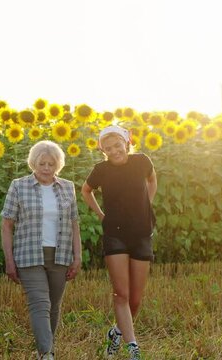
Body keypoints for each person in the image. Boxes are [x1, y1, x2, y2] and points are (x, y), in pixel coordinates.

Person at [0, 140, 82, 360]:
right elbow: (7, 224)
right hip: (29, 255)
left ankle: (43, 350)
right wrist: (9, 260)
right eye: (42, 163)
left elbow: (74, 223)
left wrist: (78, 257)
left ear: (58, 165)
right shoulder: (19, 186)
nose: (46, 168)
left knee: (54, 306)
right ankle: (47, 354)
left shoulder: (67, 187)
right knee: (40, 304)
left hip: (60, 254)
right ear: (33, 163)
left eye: (51, 164)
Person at [80, 125, 157, 360]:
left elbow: (152, 180)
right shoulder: (100, 170)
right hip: (115, 233)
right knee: (121, 294)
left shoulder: (142, 161)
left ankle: (116, 331)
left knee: (135, 300)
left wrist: (147, 204)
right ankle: (133, 347)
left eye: (117, 145)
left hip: (142, 232)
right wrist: (102, 215)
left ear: (126, 142)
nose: (114, 151)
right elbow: (86, 191)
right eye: (107, 148)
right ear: (102, 150)